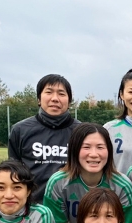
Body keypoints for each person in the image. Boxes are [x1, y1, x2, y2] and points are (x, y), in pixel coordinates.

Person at [44, 123, 132, 223]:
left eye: (100, 147)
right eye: (86, 147)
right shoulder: (57, 183)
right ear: (74, 150)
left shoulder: (123, 185)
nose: (94, 154)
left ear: (109, 151)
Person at [8, 74, 80, 203]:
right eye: (49, 92)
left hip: (72, 208)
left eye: (61, 94)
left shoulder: (81, 132)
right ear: (39, 99)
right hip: (32, 209)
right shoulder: (20, 130)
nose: (55, 98)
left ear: (69, 101)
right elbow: (13, 174)